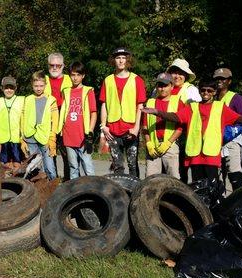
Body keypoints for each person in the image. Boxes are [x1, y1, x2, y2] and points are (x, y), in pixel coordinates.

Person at [142, 79, 242, 182]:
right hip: (195, 156)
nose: (206, 93)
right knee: (199, 188)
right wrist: (157, 112)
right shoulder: (192, 107)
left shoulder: (221, 108)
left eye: (209, 91)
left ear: (214, 92)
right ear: (200, 91)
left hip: (211, 156)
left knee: (213, 187)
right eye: (203, 90)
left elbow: (241, 118)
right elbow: (175, 117)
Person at [99, 47, 147, 178]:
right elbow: (104, 104)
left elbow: (140, 106)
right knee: (117, 166)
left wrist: (137, 127)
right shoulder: (107, 80)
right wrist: (104, 126)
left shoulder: (137, 80)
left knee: (133, 165)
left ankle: (136, 193)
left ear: (128, 60)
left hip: (130, 130)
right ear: (114, 60)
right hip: (112, 130)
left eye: (123, 58)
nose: (121, 61)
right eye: (118, 58)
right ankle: (119, 194)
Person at [57, 61, 97, 179]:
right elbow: (63, 111)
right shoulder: (66, 91)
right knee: (73, 167)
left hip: (83, 136)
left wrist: (90, 131)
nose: (75, 78)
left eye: (78, 75)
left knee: (88, 167)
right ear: (69, 75)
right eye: (73, 75)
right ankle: (77, 194)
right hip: (69, 135)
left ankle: (93, 191)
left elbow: (93, 113)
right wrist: (60, 130)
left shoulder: (88, 91)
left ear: (83, 76)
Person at [142, 73, 184, 178]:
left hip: (170, 145)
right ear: (156, 87)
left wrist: (168, 143)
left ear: (172, 86)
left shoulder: (178, 102)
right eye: (160, 85)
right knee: (151, 179)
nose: (162, 88)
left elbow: (181, 127)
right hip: (153, 145)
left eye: (165, 85)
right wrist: (148, 144)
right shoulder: (151, 102)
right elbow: (145, 126)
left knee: (173, 177)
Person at [214, 67, 242, 191]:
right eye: (217, 78)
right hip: (215, 142)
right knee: (217, 179)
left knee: (235, 176)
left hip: (232, 141)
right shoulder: (212, 97)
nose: (219, 81)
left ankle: (241, 205)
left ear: (229, 81)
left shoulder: (236, 98)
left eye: (223, 79)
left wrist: (231, 132)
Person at [167, 58, 201, 183]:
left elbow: (197, 114)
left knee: (181, 170)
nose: (177, 76)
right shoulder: (162, 87)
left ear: (186, 75)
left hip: (184, 136)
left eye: (181, 73)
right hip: (165, 134)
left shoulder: (190, 90)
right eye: (174, 72)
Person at [22, 71, 59, 180]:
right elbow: (23, 118)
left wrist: (52, 137)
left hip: (45, 137)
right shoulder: (27, 99)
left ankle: (53, 185)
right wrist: (22, 138)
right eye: (36, 86)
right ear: (32, 85)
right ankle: (37, 187)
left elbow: (55, 120)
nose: (38, 88)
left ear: (45, 85)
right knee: (34, 166)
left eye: (41, 86)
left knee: (49, 165)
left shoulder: (51, 100)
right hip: (30, 137)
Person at [45, 52, 73, 180]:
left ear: (63, 66)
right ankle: (53, 180)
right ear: (48, 65)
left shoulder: (71, 79)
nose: (55, 68)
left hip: (65, 120)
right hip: (48, 120)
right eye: (52, 65)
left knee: (68, 153)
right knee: (50, 152)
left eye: (58, 65)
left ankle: (68, 181)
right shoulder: (42, 80)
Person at [0, 76, 25, 171]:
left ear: (15, 88)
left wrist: (23, 135)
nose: (9, 90)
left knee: (17, 162)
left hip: (17, 138)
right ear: (2, 88)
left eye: (11, 87)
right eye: (6, 88)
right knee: (5, 163)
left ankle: (18, 178)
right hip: (3, 138)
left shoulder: (21, 100)